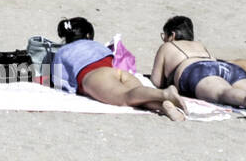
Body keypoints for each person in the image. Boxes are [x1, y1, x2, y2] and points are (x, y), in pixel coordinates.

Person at [50, 17, 186, 120]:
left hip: (95, 77)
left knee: (125, 98)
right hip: (118, 73)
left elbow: (60, 82)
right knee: (137, 97)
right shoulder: (98, 46)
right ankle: (164, 106)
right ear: (88, 36)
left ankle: (164, 94)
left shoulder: (62, 52)